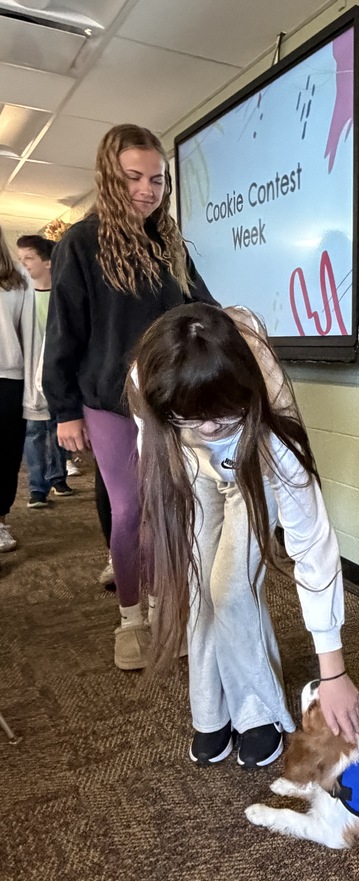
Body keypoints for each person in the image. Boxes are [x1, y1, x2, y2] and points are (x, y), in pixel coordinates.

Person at [127, 302, 359, 767]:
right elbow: (158, 456)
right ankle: (211, 712)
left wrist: (333, 673)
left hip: (253, 460)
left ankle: (257, 713)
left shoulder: (270, 414)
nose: (210, 428)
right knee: (198, 585)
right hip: (188, 465)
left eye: (220, 415)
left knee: (230, 588)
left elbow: (311, 545)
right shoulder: (147, 383)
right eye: (195, 417)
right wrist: (189, 431)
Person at [42, 124, 216, 670]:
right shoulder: (80, 243)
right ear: (110, 177)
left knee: (173, 507)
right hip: (108, 401)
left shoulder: (168, 243)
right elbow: (64, 331)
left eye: (157, 179)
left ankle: (168, 608)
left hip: (168, 400)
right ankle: (132, 618)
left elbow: (203, 307)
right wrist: (65, 411)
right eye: (134, 177)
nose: (147, 189)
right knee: (129, 511)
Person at [17, 234, 75, 508]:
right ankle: (37, 487)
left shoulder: (64, 295)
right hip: (31, 377)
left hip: (60, 375)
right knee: (35, 431)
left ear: (48, 262)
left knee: (59, 427)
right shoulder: (23, 297)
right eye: (21, 259)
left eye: (29, 258)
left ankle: (58, 478)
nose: (24, 264)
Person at [0, 225, 34, 554]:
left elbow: (29, 336)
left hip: (8, 379)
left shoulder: (17, 278)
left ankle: (0, 518)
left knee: (6, 455)